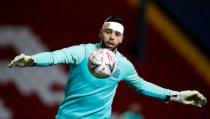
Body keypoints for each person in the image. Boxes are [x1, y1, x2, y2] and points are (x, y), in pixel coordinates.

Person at [8, 16, 207, 119]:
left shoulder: (124, 66)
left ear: (122, 38)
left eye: (116, 34)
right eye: (108, 31)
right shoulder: (82, 52)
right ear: (100, 33)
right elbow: (54, 56)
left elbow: (142, 86)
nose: (112, 36)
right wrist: (33, 60)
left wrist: (178, 96)